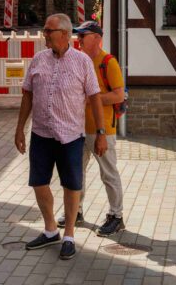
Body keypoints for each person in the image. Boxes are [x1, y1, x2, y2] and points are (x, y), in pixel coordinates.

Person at [15, 13, 107, 261]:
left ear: (65, 34)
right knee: (38, 182)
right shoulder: (38, 60)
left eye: (49, 30)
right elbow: (27, 95)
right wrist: (20, 128)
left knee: (72, 185)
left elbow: (95, 98)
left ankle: (69, 235)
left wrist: (101, 133)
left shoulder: (82, 62)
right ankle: (50, 230)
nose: (44, 34)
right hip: (41, 134)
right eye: (45, 30)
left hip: (71, 136)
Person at [58, 20, 125, 237]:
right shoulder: (79, 60)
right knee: (76, 172)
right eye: (77, 35)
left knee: (108, 173)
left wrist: (91, 99)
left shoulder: (108, 62)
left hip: (101, 129)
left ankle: (116, 216)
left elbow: (119, 95)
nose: (78, 39)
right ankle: (75, 211)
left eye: (82, 35)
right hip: (77, 128)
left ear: (96, 38)